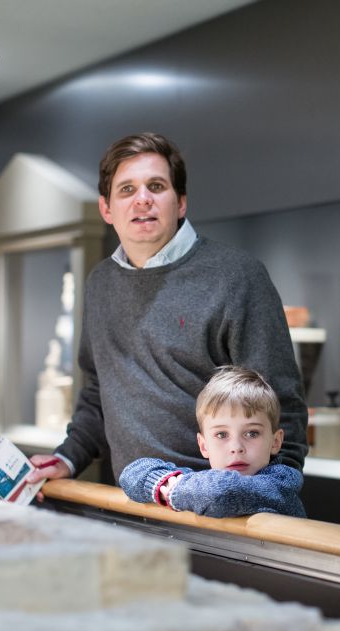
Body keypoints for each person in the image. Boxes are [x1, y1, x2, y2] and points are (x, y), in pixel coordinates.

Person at [25, 132, 307, 490]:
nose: (142, 200)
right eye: (127, 190)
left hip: (221, 511)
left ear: (181, 203)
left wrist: (267, 498)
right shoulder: (101, 283)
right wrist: (66, 457)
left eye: (156, 186)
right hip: (134, 503)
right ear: (106, 209)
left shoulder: (237, 276)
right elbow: (99, 392)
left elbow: (281, 405)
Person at [119, 365, 305, 518]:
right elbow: (131, 474)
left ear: (276, 441)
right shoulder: (200, 483)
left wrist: (174, 489)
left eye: (252, 433)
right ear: (203, 445)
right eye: (222, 435)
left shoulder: (282, 483)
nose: (236, 448)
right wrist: (166, 483)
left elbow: (222, 493)